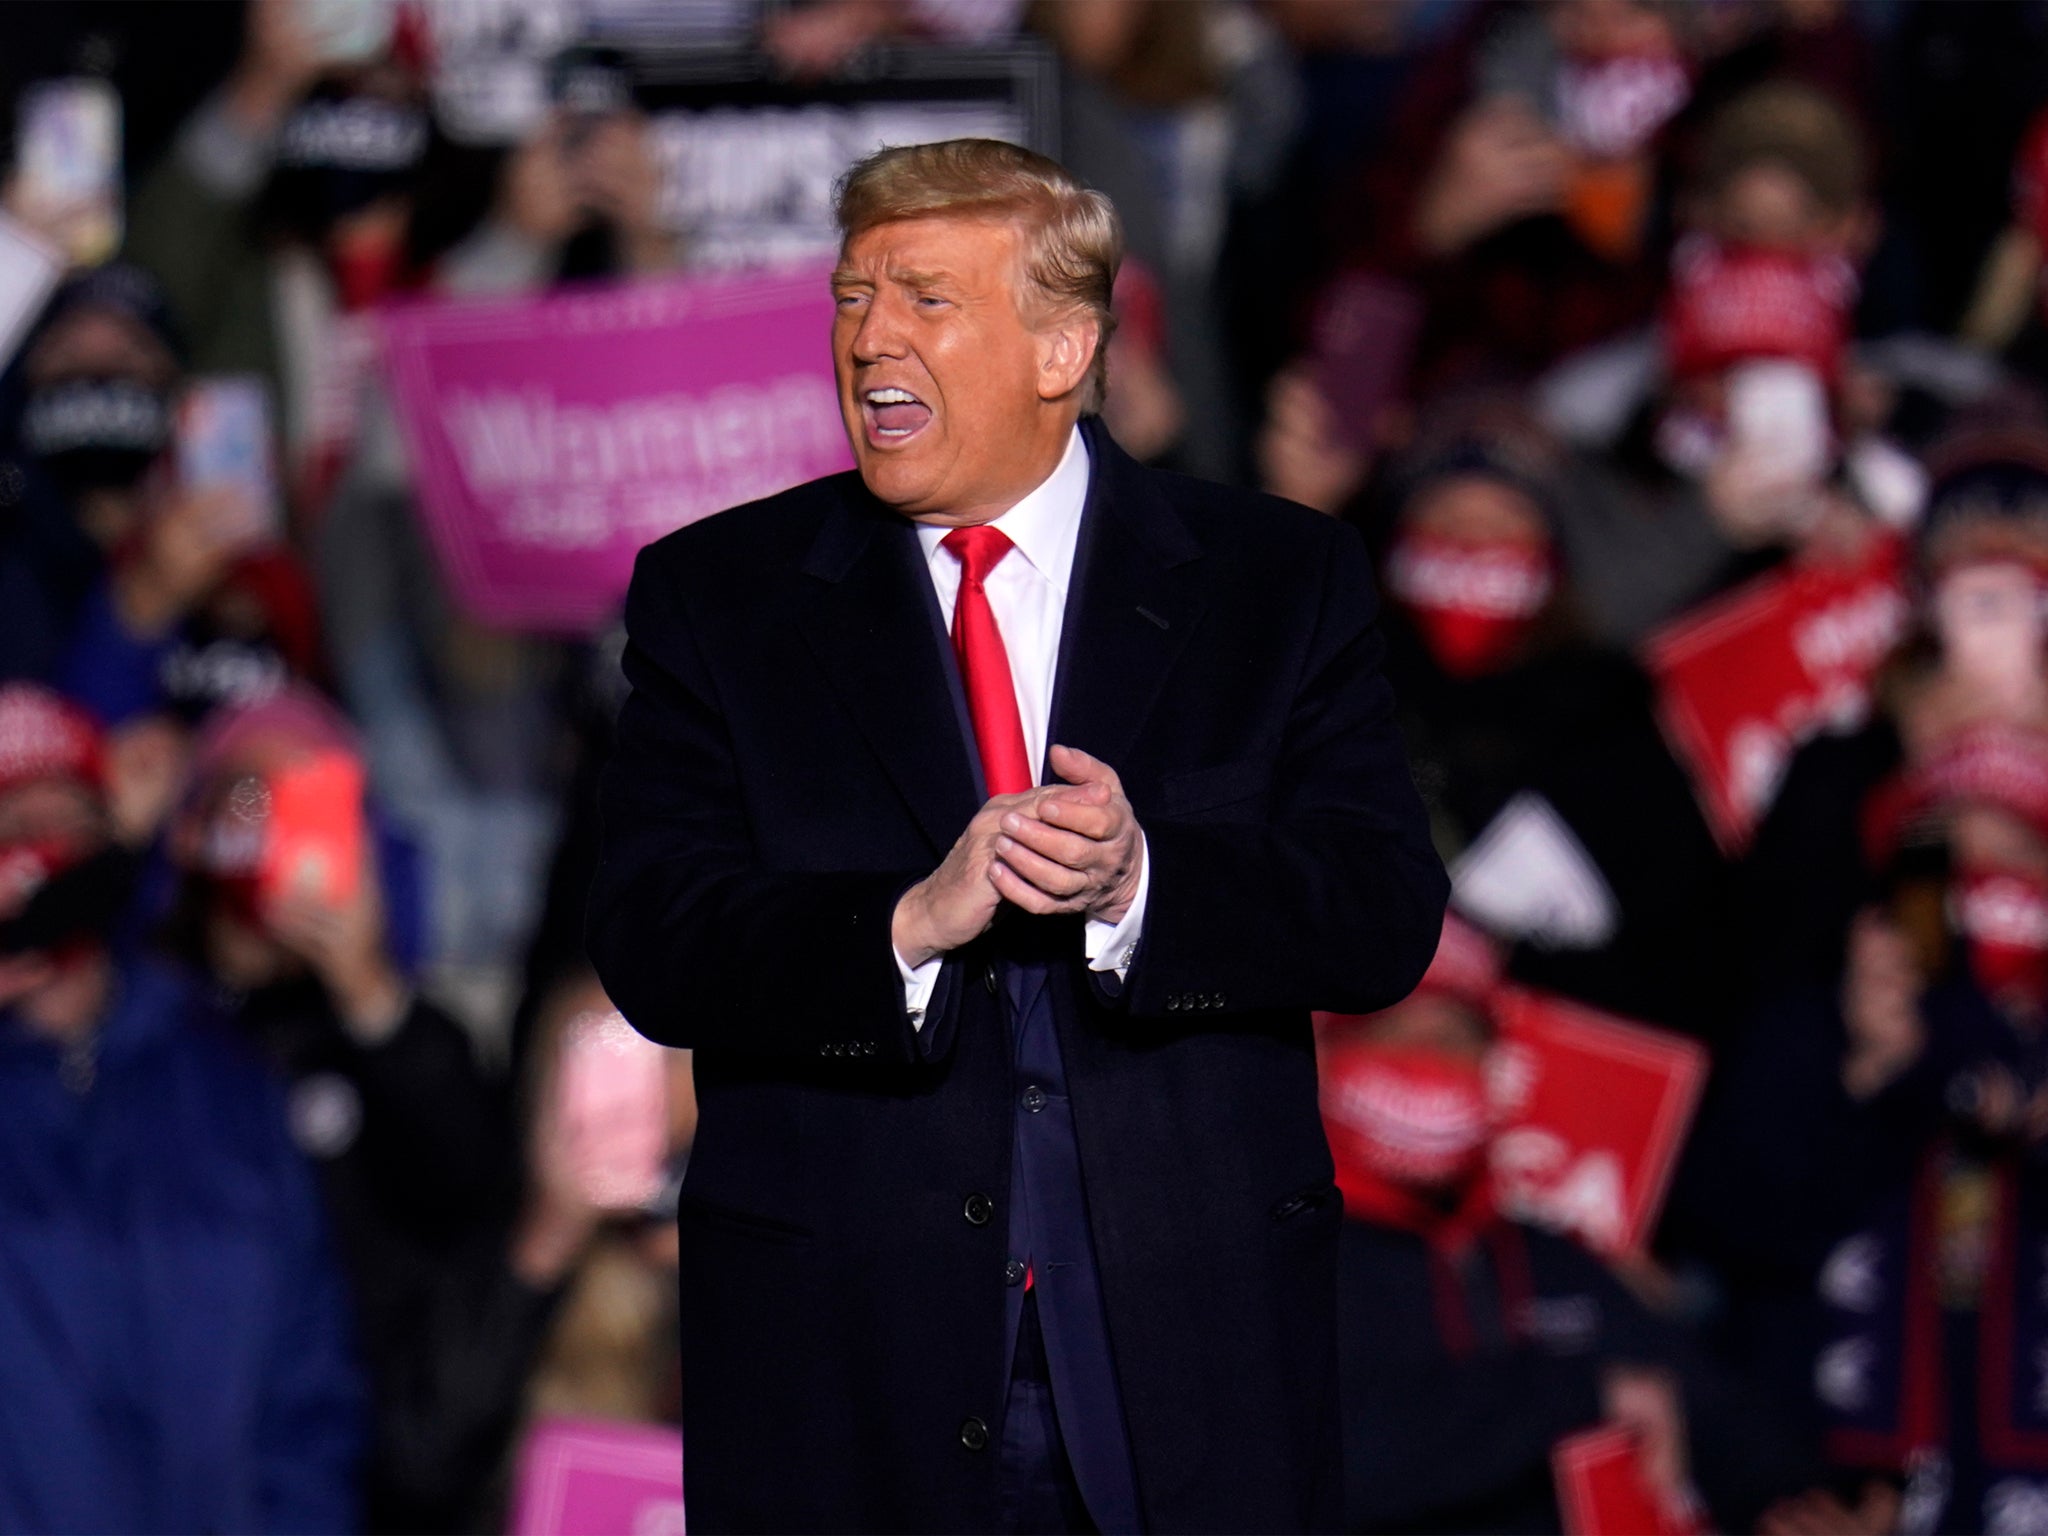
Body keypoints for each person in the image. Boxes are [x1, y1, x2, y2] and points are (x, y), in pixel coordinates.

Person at [587, 138, 1448, 1533]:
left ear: (1062, 349)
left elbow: (1380, 908)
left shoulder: (1277, 581)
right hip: (847, 1377)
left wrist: (1142, 883)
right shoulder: (718, 597)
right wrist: (901, 927)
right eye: (851, 297)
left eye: (925, 299)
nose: (869, 341)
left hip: (1190, 1367)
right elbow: (651, 934)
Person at [0, 682, 364, 1532]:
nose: (40, 859)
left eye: (70, 824)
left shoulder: (225, 1074)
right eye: (13, 830)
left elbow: (307, 1389)